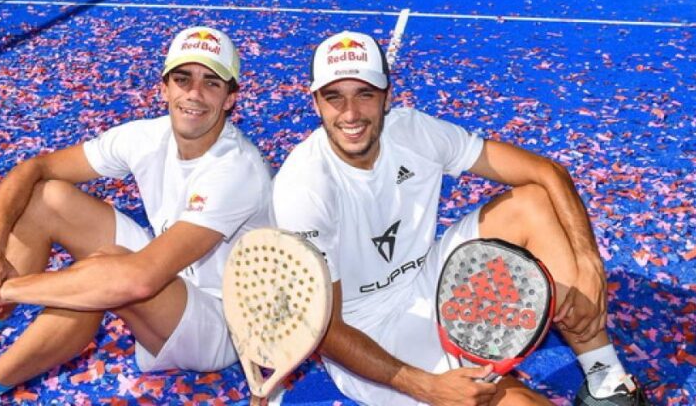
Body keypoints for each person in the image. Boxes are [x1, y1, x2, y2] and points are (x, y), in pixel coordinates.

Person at [0, 26, 272, 406]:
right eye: (183, 79)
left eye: (211, 83)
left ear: (230, 97)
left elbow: (140, 278)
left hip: (221, 325)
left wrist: (3, 288)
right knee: (48, 199)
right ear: (164, 88)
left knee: (102, 274)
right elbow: (34, 168)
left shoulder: (236, 168)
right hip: (174, 279)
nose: (194, 94)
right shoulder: (145, 136)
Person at [272, 31, 650, 406]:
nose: (350, 113)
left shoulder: (412, 131)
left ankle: (605, 378)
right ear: (316, 103)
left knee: (533, 203)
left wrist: (589, 264)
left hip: (427, 278)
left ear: (387, 98)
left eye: (365, 94)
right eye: (334, 97)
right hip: (370, 333)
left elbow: (547, 173)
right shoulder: (303, 187)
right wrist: (427, 387)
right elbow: (323, 328)